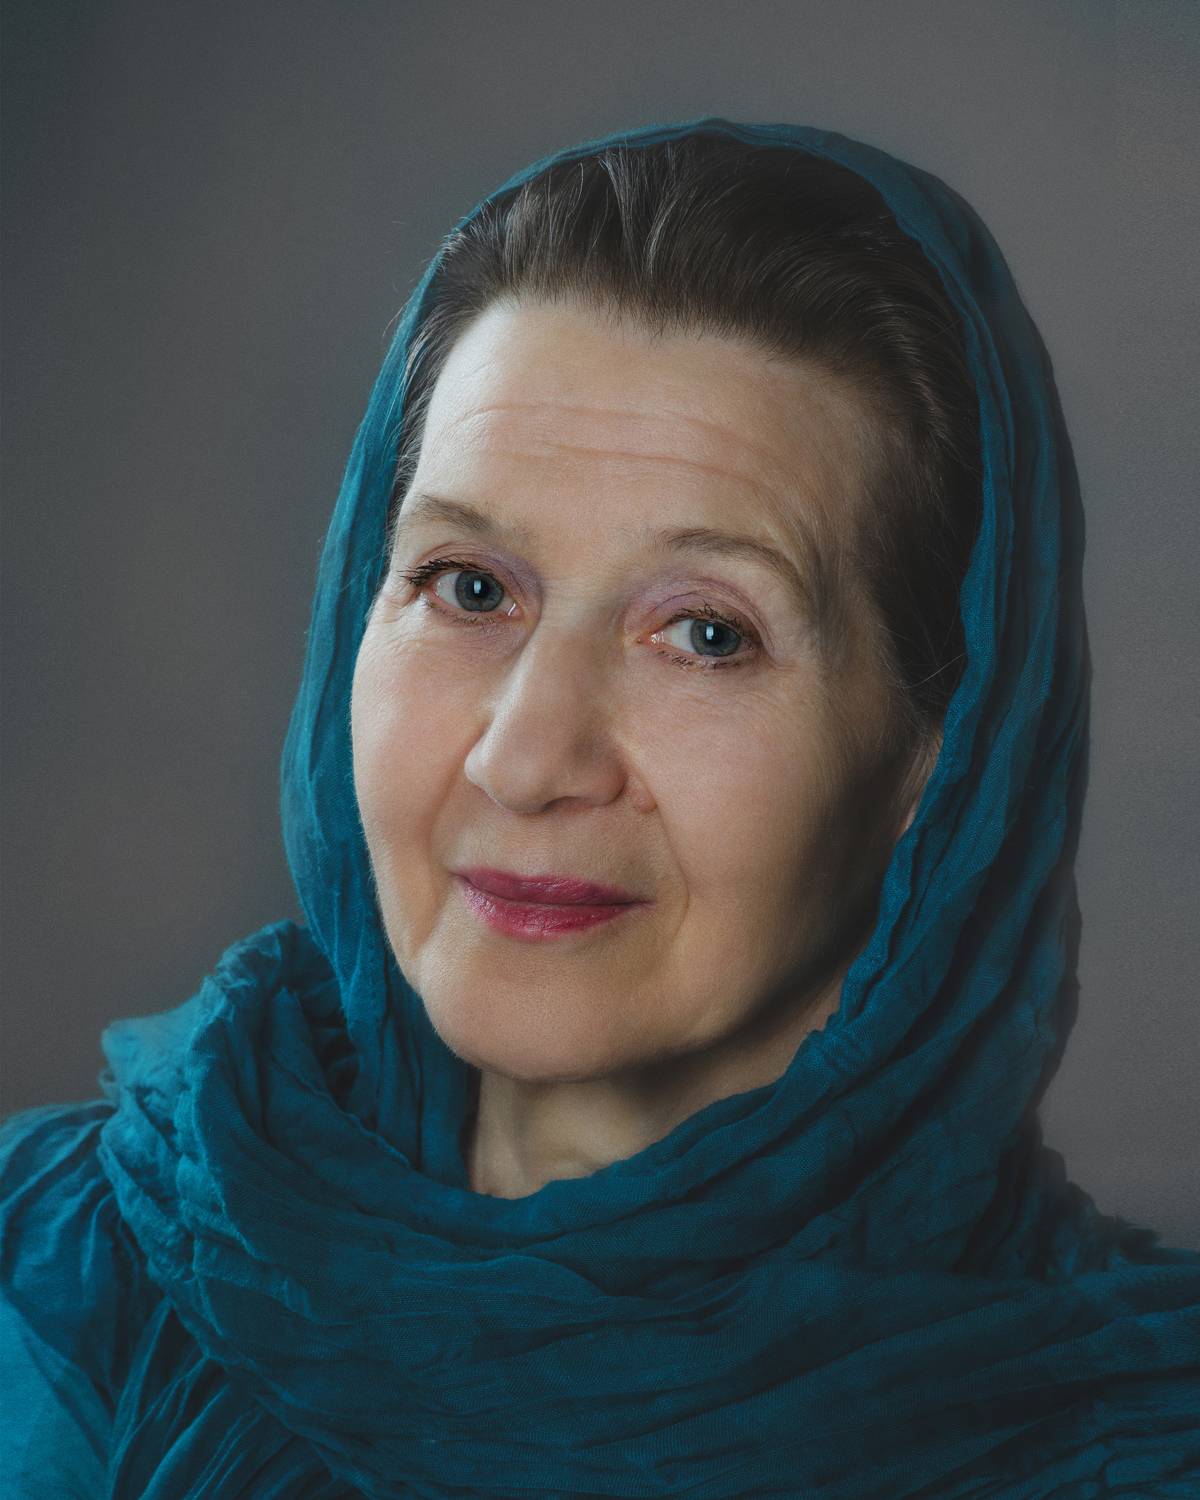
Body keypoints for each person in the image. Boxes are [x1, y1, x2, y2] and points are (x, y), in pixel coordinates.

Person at [1, 116, 1197, 1500]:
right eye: (469, 587)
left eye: (706, 635)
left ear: (943, 754)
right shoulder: (47, 1285)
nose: (527, 760)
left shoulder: (1136, 1448)